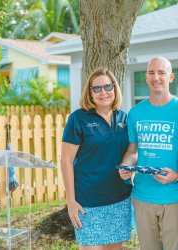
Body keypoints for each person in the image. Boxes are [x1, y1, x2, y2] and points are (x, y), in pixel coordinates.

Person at [119, 57, 178, 250]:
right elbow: (133, 149)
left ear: (171, 77)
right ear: (146, 77)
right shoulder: (136, 112)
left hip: (174, 196)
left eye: (161, 73)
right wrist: (126, 166)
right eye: (151, 72)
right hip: (142, 195)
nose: (156, 77)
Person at [60, 68, 132, 249]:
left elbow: (133, 150)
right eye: (97, 88)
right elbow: (66, 161)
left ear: (115, 88)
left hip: (120, 199)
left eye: (108, 86)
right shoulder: (78, 118)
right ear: (90, 93)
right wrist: (70, 201)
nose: (103, 92)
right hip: (88, 203)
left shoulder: (125, 118)